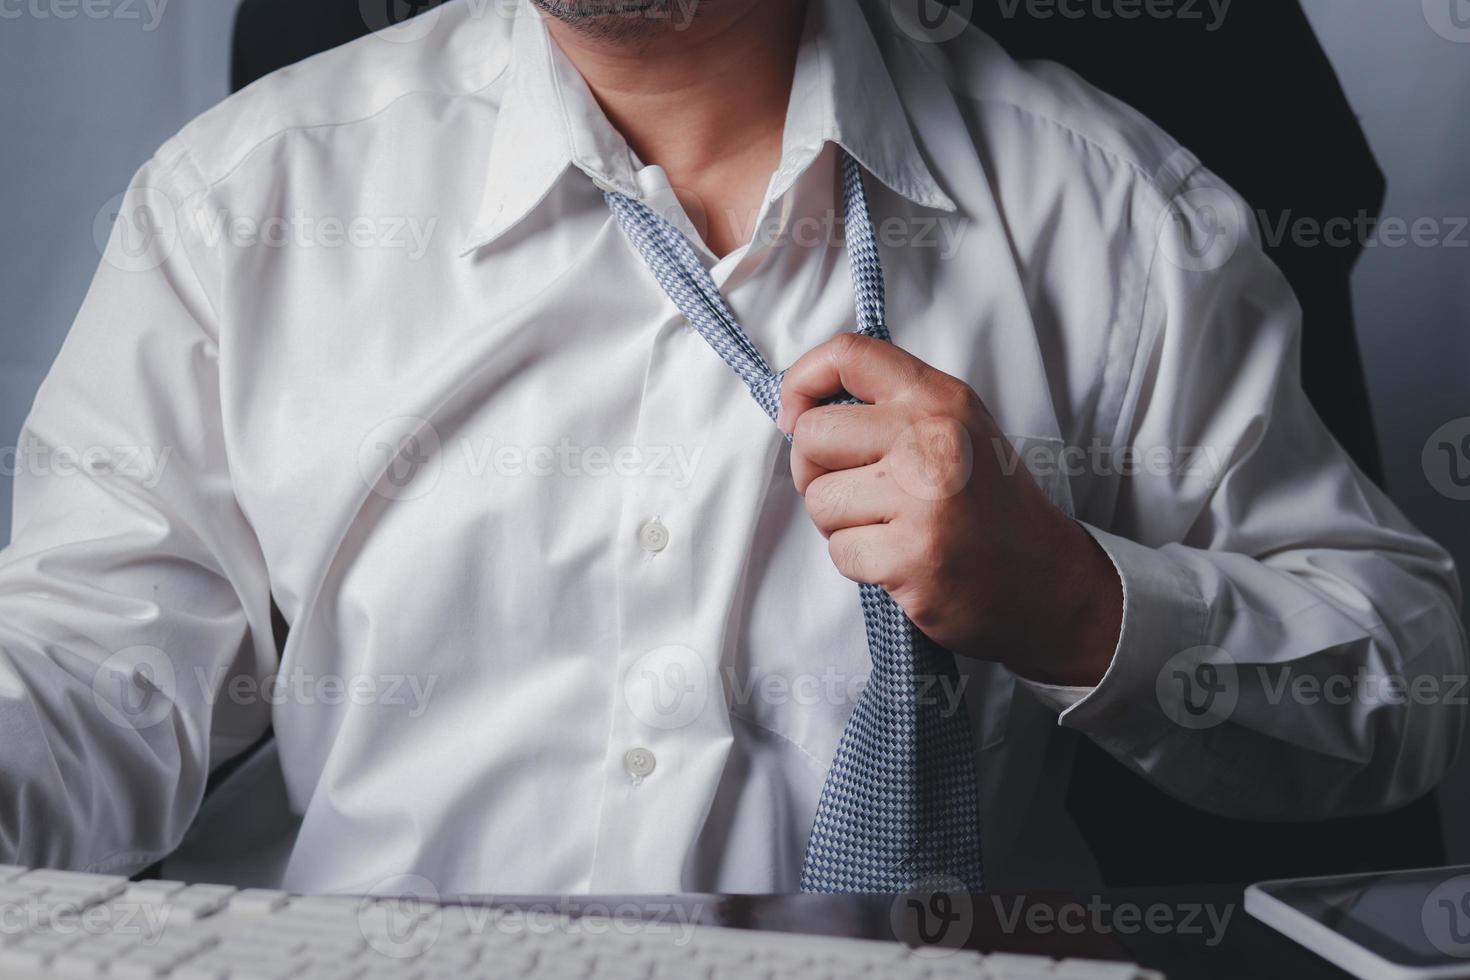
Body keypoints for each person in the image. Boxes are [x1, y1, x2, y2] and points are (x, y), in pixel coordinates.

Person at [0, 0, 1462, 894]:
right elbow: (92, 682)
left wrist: (1084, 606)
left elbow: (1411, 690)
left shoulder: (1117, 219)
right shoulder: (242, 202)